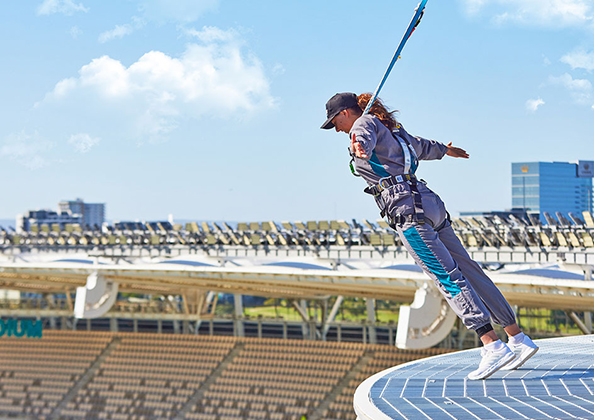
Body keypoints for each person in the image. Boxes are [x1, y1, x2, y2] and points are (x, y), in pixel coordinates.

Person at [321, 92, 538, 380]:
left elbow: (363, 139)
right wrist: (447, 151)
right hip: (429, 203)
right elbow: (424, 146)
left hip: (407, 211)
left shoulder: (362, 126)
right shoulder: (392, 129)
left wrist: (360, 146)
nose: (336, 129)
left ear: (346, 113)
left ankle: (491, 344)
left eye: (334, 121)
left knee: (447, 276)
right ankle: (517, 338)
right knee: (471, 272)